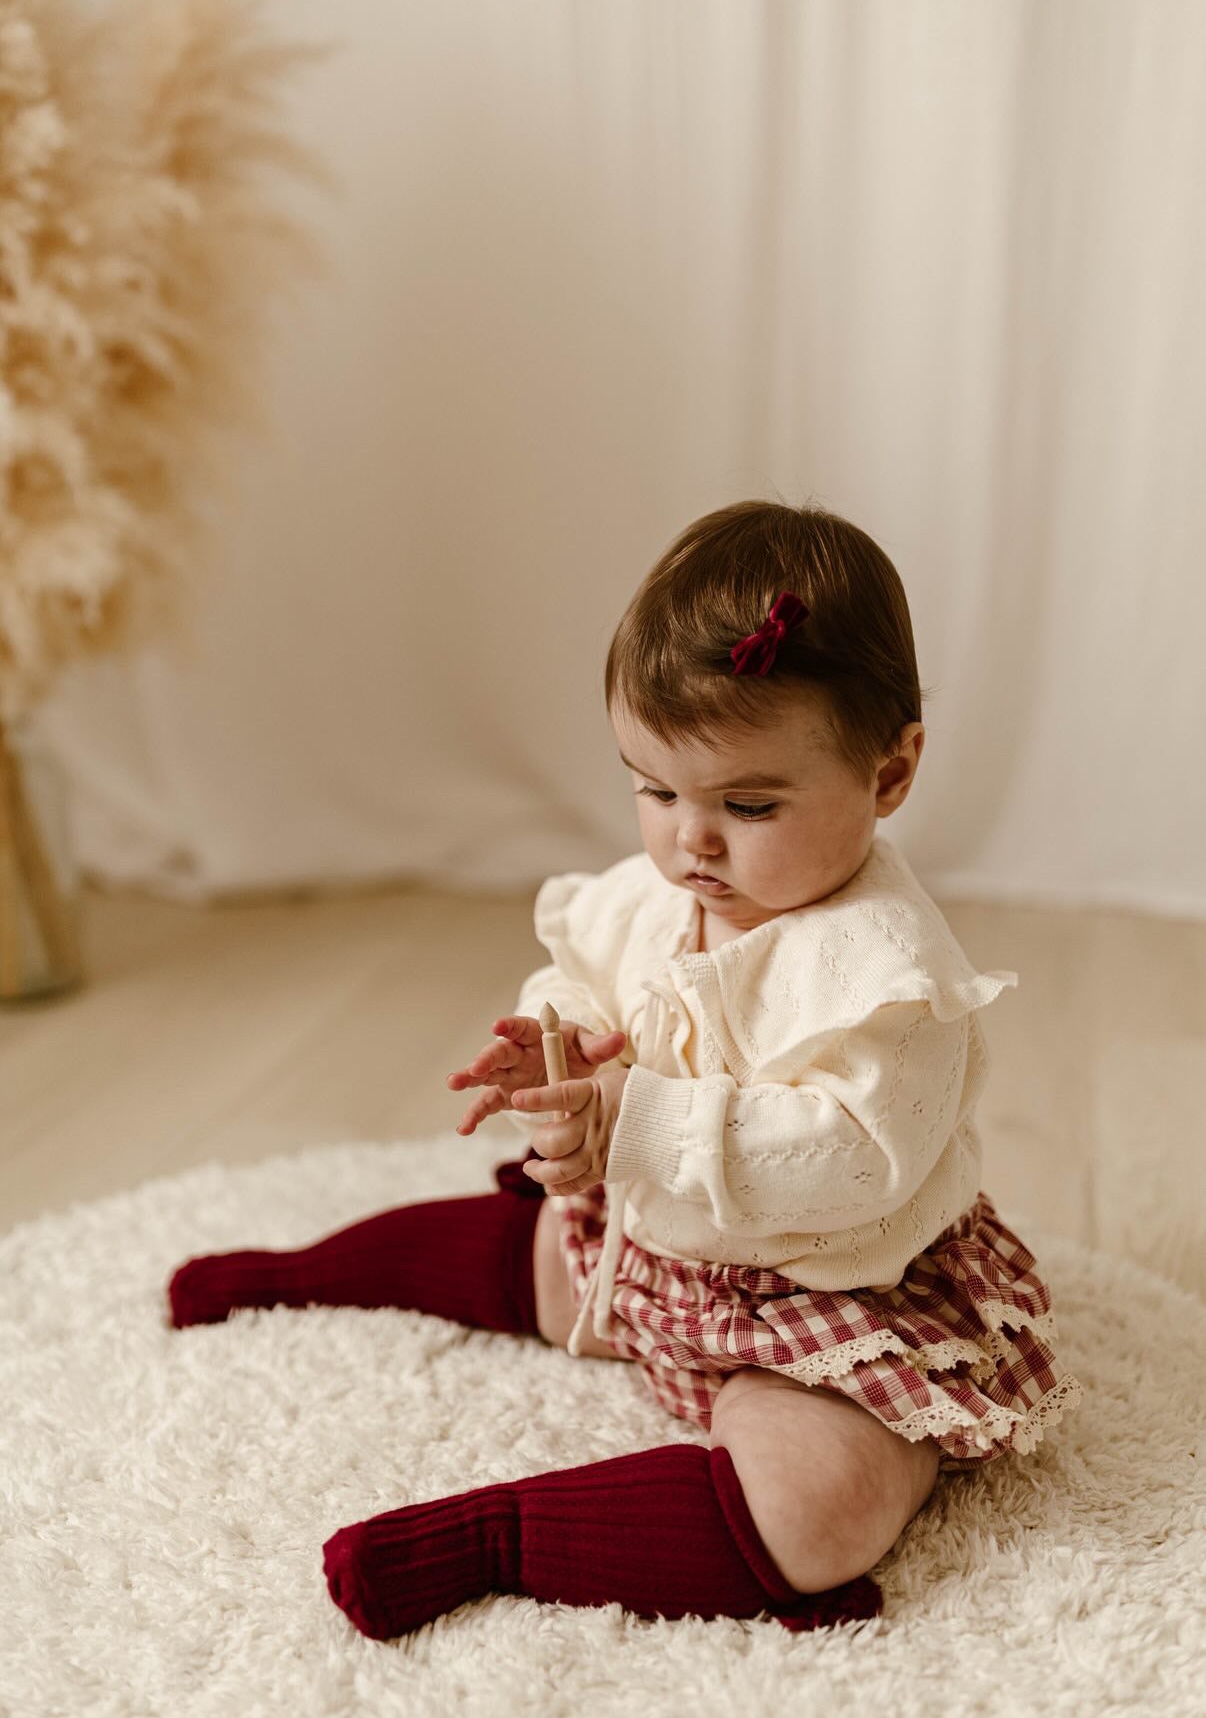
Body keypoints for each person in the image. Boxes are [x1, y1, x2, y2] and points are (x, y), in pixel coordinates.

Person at [168, 499, 1085, 1641]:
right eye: (654, 790)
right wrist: (552, 1048)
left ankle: (492, 1538)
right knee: (551, 1254)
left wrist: (634, 1121)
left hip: (837, 1298)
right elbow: (583, 976)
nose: (690, 842)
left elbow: (849, 1166)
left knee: (824, 1506)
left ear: (890, 774)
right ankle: (298, 1274)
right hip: (666, 1256)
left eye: (748, 805)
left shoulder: (888, 976)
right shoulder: (659, 891)